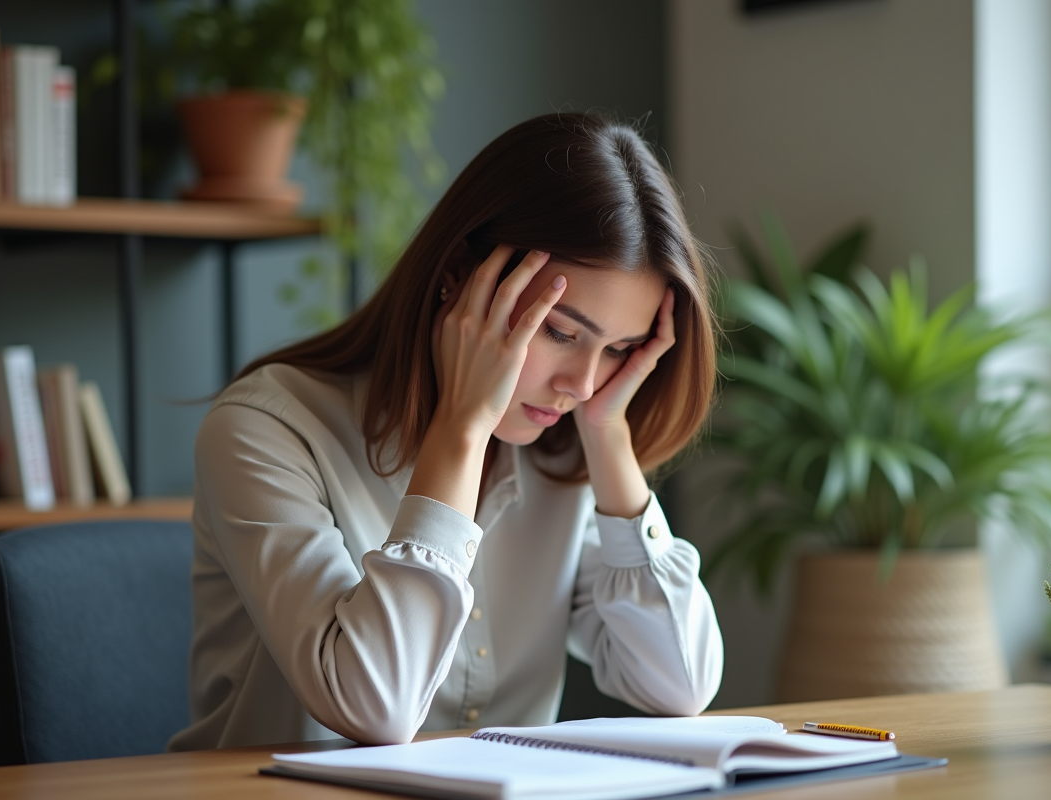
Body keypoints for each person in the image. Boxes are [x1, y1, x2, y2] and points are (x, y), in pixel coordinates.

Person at [168, 112, 724, 751]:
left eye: (620, 350)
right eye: (560, 332)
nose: (583, 383)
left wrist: (609, 434)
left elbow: (680, 685)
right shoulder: (264, 431)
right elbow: (373, 708)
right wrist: (462, 429)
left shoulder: (564, 449)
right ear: (459, 275)